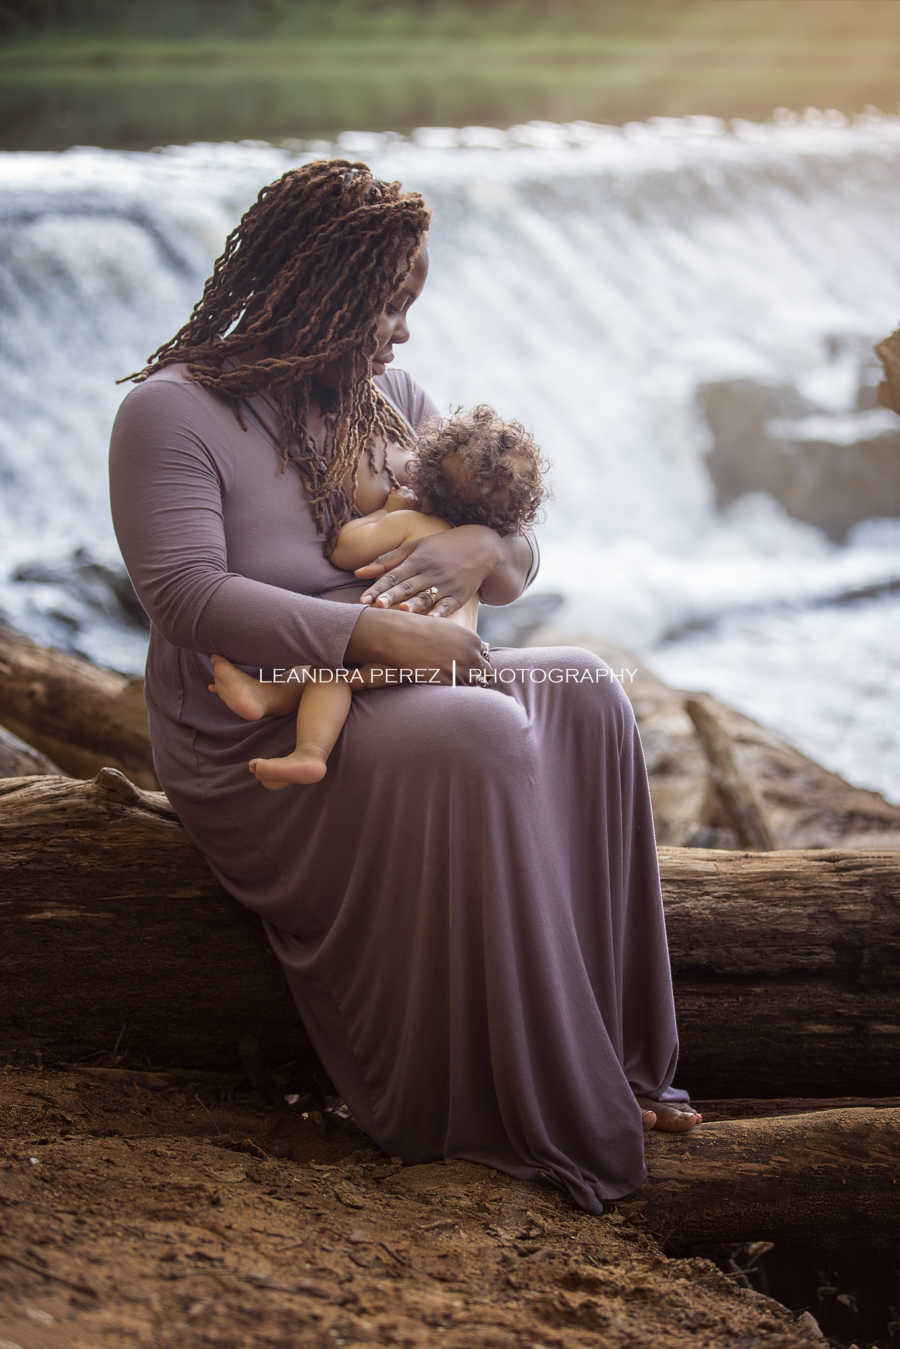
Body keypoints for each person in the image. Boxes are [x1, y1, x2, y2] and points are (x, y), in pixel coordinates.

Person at [108, 158, 701, 1220]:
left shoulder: (394, 403)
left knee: (585, 689)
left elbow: (519, 563)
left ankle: (609, 1060)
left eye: (408, 306)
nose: (403, 333)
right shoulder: (172, 412)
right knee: (473, 730)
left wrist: (478, 543)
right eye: (388, 306)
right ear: (315, 290)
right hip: (257, 721)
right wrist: (373, 631)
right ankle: (509, 1103)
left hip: (394, 689)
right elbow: (185, 598)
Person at [206, 403, 550, 789]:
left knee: (331, 671)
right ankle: (275, 705)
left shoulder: (412, 522)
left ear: (424, 480)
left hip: (407, 647)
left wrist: (383, 513)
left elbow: (345, 549)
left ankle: (306, 748)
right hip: (452, 662)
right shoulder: (475, 568)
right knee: (342, 678)